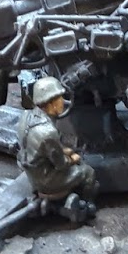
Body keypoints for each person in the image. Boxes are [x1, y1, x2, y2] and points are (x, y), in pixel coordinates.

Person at [17, 76, 97, 213]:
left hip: (31, 170)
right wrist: (73, 158)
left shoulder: (26, 116)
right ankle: (86, 206)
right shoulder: (48, 132)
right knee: (88, 172)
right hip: (45, 180)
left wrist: (64, 150)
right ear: (51, 103)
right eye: (60, 99)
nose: (63, 102)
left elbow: (42, 148)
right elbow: (61, 164)